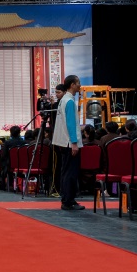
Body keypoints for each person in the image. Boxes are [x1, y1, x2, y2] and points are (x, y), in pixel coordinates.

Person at [52, 75, 86, 211]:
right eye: (78, 83)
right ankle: (68, 201)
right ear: (72, 85)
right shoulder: (70, 101)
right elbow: (71, 124)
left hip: (62, 142)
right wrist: (74, 142)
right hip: (68, 143)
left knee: (65, 172)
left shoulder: (63, 100)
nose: (79, 86)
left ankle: (66, 198)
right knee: (71, 173)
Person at [0, 125, 26, 190]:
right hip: (22, 164)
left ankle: (5, 184)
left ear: (10, 133)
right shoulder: (23, 142)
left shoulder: (7, 143)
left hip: (10, 164)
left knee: (3, 163)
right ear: (19, 133)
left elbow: (4, 155)